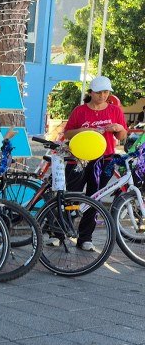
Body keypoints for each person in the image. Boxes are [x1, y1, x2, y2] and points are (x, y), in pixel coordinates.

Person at [62, 75, 128, 251]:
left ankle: (85, 237)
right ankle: (60, 232)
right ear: (91, 92)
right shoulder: (80, 110)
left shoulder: (115, 111)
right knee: (71, 194)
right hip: (79, 159)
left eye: (106, 92)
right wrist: (82, 131)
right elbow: (67, 133)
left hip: (104, 160)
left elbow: (122, 137)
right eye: (99, 92)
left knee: (95, 197)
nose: (103, 96)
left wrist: (119, 129)